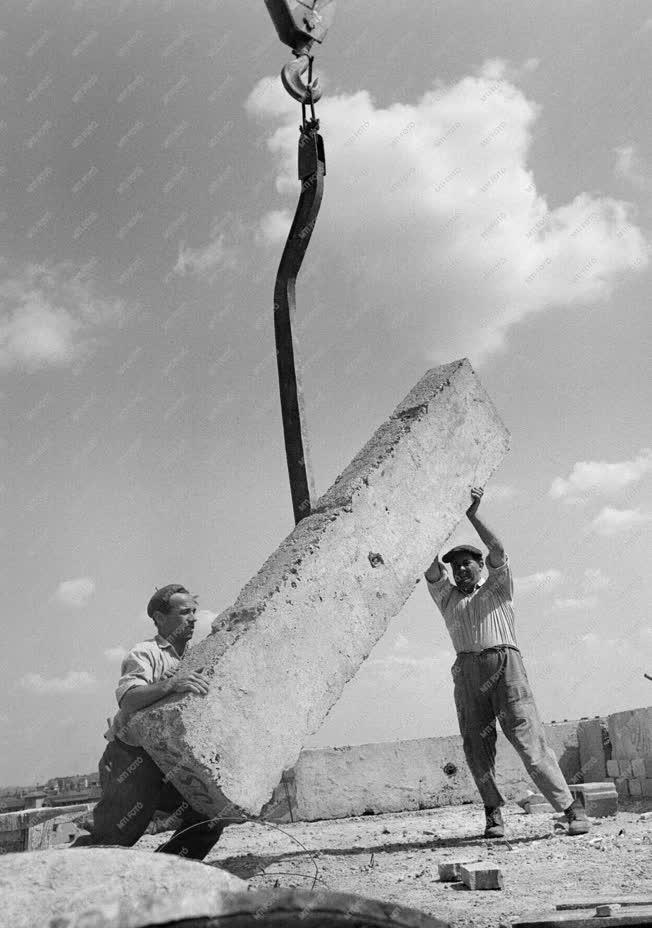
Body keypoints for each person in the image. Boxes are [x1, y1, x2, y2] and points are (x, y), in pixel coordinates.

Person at [425, 488, 590, 838]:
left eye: (467, 562)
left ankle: (572, 811)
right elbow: (428, 566)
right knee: (476, 746)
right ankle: (493, 815)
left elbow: (498, 550)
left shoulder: (497, 587)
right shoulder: (447, 597)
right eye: (455, 565)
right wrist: (433, 519)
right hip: (467, 672)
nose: (460, 569)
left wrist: (472, 514)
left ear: (480, 565)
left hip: (505, 666)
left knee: (529, 742)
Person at [73, 584, 227, 858]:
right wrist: (172, 684)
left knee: (210, 815)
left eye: (194, 611)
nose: (193, 618)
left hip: (171, 763)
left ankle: (168, 869)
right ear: (159, 617)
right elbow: (129, 698)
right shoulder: (146, 653)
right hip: (131, 761)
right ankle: (62, 876)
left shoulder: (194, 657)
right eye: (184, 612)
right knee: (112, 840)